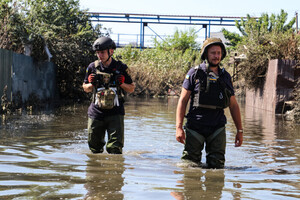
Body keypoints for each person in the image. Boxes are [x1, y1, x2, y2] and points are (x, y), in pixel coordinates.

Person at [175, 37, 243, 168]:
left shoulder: (225, 76)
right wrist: (178, 128)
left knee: (217, 168)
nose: (216, 56)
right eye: (213, 53)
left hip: (217, 128)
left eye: (218, 53)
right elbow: (182, 101)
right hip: (195, 127)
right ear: (206, 54)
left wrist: (239, 130)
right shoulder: (194, 73)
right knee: (189, 166)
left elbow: (233, 105)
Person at [83, 37, 135, 154]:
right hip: (96, 112)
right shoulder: (92, 67)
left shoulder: (121, 67)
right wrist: (92, 83)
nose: (100, 55)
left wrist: (121, 83)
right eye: (97, 53)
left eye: (102, 52)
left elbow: (131, 88)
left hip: (115, 113)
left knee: (115, 149)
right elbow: (85, 88)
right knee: (94, 148)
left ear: (111, 51)